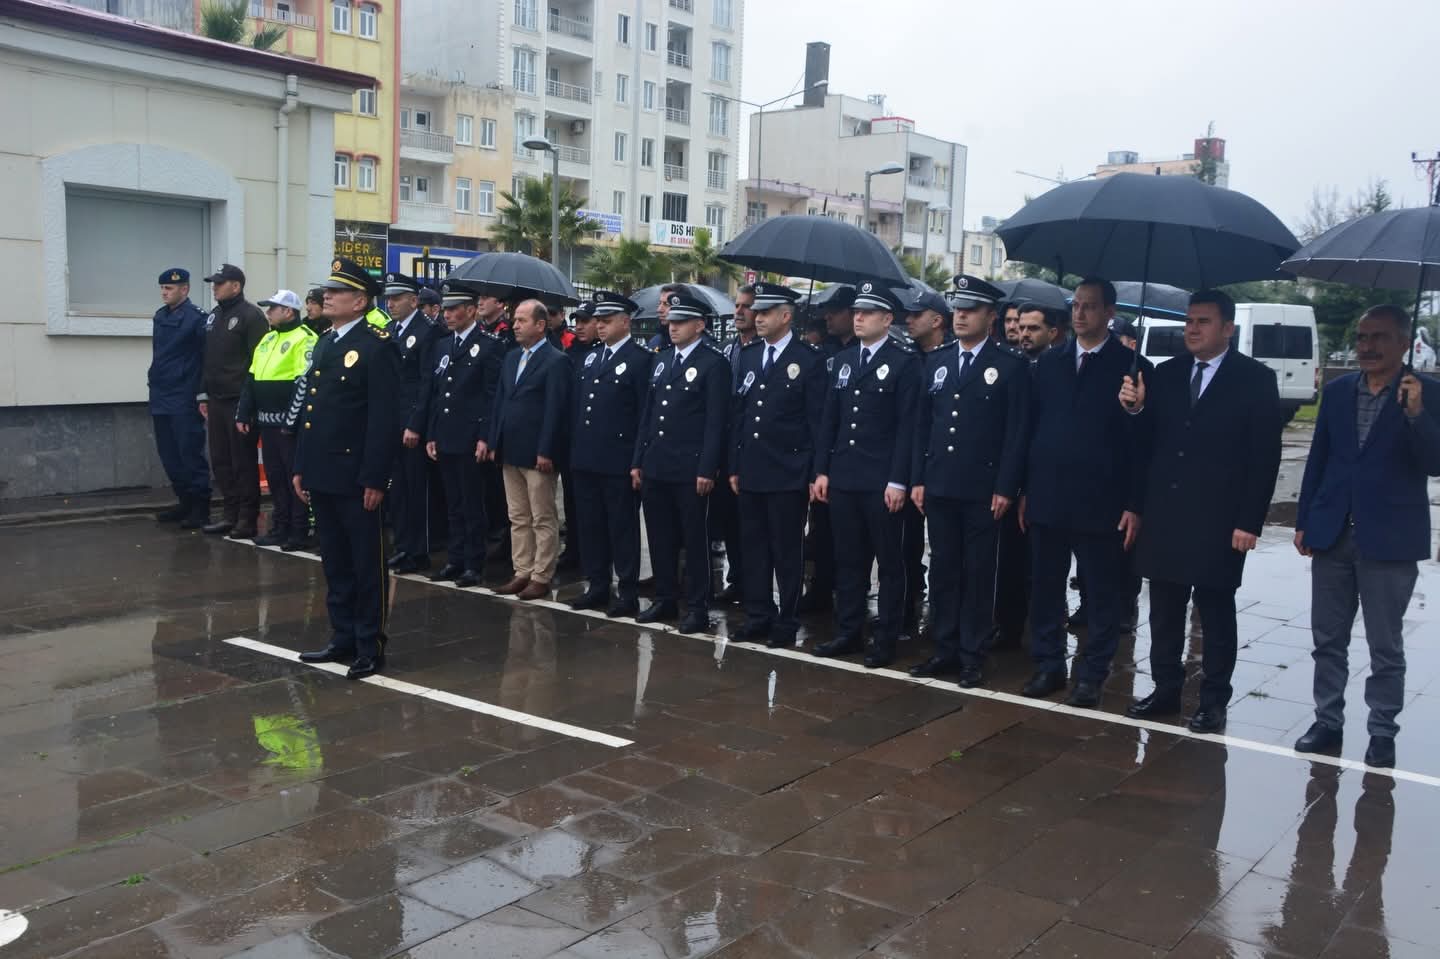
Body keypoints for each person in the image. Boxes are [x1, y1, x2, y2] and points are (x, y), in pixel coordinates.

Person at [1120, 289, 1282, 733]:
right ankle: (1166, 687)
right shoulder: (1167, 375)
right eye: (1189, 321)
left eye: (1203, 321)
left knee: (1214, 611)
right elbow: (1145, 447)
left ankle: (1212, 700)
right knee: (1165, 610)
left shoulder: (1255, 379)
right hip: (1166, 514)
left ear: (1228, 328)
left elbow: (1264, 456)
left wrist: (1249, 521)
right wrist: (1133, 409)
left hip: (1218, 518)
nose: (1192, 329)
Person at [1292, 304, 1440, 769]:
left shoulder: (1426, 393)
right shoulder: (1337, 393)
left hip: (1390, 539)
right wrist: (1304, 519)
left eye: (1379, 337)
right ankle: (1327, 720)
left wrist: (1417, 415)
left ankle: (1382, 730)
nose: (1367, 346)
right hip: (1333, 533)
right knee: (1328, 637)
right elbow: (1319, 459)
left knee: (1385, 645)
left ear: (1402, 343)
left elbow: (1436, 463)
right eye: (1362, 337)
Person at [1020, 277, 1150, 707]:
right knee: (1045, 587)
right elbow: (1032, 427)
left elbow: (1142, 445)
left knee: (1101, 593)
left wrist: (1134, 503)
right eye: (1076, 305)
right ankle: (1049, 664)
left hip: (1102, 502)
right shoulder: (1051, 362)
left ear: (1110, 313)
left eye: (1090, 306)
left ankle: (1094, 672)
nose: (1079, 313)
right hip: (1049, 495)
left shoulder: (1130, 366)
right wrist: (1024, 488)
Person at [910, 276, 1030, 686]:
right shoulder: (938, 360)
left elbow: (1016, 433)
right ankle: (944, 647)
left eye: (970, 309)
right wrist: (918, 479)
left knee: (979, 573)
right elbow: (924, 425)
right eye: (957, 308)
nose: (960, 316)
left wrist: (1006, 487)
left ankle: (971, 653)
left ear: (990, 317)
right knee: (944, 569)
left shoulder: (1009, 365)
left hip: (982, 488)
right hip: (940, 483)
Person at [293, 257, 401, 680]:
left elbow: (383, 418)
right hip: (323, 472)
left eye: (336, 292)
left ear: (360, 301)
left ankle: (368, 644)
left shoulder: (377, 344)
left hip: (357, 476)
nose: (327, 297)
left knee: (366, 563)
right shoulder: (326, 341)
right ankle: (341, 637)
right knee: (334, 562)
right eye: (327, 291)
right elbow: (312, 412)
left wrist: (375, 476)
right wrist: (301, 465)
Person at [810, 281, 920, 667]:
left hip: (881, 481)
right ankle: (849, 630)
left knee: (889, 564)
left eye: (868, 312)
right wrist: (821, 470)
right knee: (849, 559)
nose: (858, 318)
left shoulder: (904, 362)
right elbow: (830, 421)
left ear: (888, 319)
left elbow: (908, 427)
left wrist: (898, 480)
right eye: (856, 311)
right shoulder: (842, 361)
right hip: (844, 476)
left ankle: (886, 637)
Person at [729, 283, 827, 648]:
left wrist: (815, 472)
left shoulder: (809, 360)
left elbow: (816, 422)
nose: (758, 317)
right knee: (753, 547)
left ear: (787, 316)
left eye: (766, 312)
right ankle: (758, 614)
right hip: (753, 469)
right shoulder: (752, 355)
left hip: (788, 471)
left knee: (786, 551)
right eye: (758, 311)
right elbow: (741, 413)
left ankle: (786, 619)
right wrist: (735, 464)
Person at [631, 290, 730, 632]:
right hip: (657, 463)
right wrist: (638, 459)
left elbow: (716, 422)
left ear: (700, 325)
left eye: (682, 321)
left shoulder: (713, 363)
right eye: (671, 321)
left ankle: (698, 606)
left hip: (690, 468)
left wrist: (707, 468)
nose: (673, 327)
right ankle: (665, 597)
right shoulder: (661, 360)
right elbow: (648, 414)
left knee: (694, 539)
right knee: (660, 535)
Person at [567, 292, 653, 618]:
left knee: (622, 528)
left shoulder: (641, 359)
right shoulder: (591, 358)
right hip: (587, 456)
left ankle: (627, 590)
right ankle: (598, 584)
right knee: (591, 526)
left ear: (626, 320)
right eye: (598, 321)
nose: (600, 326)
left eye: (607, 320)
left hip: (618, 459)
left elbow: (644, 413)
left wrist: (637, 459)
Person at [480, 299, 572, 601]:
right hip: (510, 449)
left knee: (542, 516)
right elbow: (500, 403)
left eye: (522, 320)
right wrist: (494, 441)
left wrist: (547, 450)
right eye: (515, 320)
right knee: (517, 515)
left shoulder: (556, 360)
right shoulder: (511, 358)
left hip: (537, 453)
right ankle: (522, 570)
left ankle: (541, 574)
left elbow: (556, 410)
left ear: (540, 325)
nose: (515, 325)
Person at [416, 284, 505, 588]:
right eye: (447, 309)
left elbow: (492, 397)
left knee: (471, 503)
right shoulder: (444, 345)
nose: (449, 315)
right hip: (446, 434)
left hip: (470, 437)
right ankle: (455, 558)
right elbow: (438, 393)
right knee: (452, 503)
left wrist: (485, 437)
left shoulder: (489, 345)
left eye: (455, 309)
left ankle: (473, 562)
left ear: (470, 310)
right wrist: (431, 433)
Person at [236, 290, 317, 549]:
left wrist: (291, 421)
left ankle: (299, 529)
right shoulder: (267, 338)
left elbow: (302, 383)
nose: (268, 312)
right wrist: (243, 411)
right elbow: (251, 378)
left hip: (289, 424)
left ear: (289, 312)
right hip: (266, 421)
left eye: (273, 308)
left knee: (294, 477)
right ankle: (280, 526)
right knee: (274, 478)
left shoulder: (305, 338)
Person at [199, 263, 269, 538]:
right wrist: (203, 393)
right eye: (214, 283)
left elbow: (258, 362)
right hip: (216, 400)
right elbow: (208, 358)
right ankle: (229, 514)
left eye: (220, 283)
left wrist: (249, 403)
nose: (214, 287)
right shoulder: (215, 316)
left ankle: (247, 518)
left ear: (236, 286)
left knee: (243, 462)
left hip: (239, 400)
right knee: (221, 460)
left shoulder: (251, 316)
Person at [384, 273, 447, 574]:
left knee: (416, 490)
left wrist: (415, 424)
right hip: (391, 420)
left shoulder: (428, 331)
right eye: (389, 298)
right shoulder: (388, 330)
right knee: (397, 490)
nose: (390, 303)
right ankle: (404, 545)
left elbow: (427, 383)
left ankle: (419, 550)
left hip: (412, 423)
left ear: (414, 300)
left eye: (397, 298)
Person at [899, 287, 951, 639]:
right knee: (905, 548)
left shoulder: (945, 358)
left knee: (946, 553)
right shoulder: (907, 358)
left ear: (937, 320)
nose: (909, 320)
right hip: (907, 470)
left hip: (944, 470)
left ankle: (942, 618)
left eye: (917, 315)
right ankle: (907, 609)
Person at [149, 268, 211, 529]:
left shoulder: (197, 319)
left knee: (189, 452)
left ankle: (200, 508)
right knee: (169, 454)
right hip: (161, 394)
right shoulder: (161, 316)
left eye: (170, 288)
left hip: (184, 396)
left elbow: (206, 358)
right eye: (162, 288)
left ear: (184, 290)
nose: (164, 292)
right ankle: (184, 501)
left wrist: (202, 393)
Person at [714, 285, 758, 604]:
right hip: (727, 444)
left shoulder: (764, 351)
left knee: (753, 524)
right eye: (737, 305)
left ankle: (755, 584)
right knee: (729, 518)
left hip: (754, 448)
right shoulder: (728, 350)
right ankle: (736, 578)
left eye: (746, 307)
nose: (738, 312)